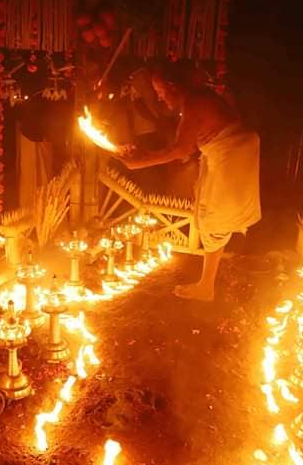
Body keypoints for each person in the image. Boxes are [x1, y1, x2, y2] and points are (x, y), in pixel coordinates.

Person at [112, 65, 261, 301]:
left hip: (231, 153)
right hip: (230, 150)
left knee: (214, 215)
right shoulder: (198, 101)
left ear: (172, 86)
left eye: (159, 91)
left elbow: (180, 148)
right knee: (212, 215)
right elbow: (189, 144)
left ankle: (207, 287)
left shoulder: (195, 100)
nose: (159, 98)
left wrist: (140, 162)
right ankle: (207, 284)